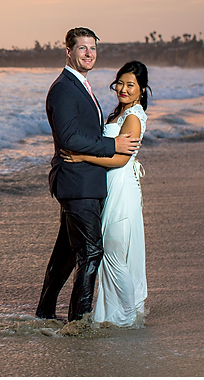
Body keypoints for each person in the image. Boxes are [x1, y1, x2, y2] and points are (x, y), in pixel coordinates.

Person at [35, 28, 140, 322]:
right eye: (82, 48)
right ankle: (79, 322)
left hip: (83, 181)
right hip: (76, 181)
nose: (89, 53)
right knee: (92, 253)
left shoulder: (80, 85)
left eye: (92, 48)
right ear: (68, 52)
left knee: (67, 253)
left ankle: (44, 312)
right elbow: (69, 136)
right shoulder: (64, 87)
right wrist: (113, 144)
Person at [61, 60, 149, 327]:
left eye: (130, 85)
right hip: (110, 186)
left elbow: (121, 160)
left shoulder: (133, 116)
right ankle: (121, 314)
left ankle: (129, 316)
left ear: (141, 90)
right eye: (119, 83)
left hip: (122, 189)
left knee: (112, 254)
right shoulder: (117, 114)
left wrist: (81, 157)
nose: (123, 89)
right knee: (112, 254)